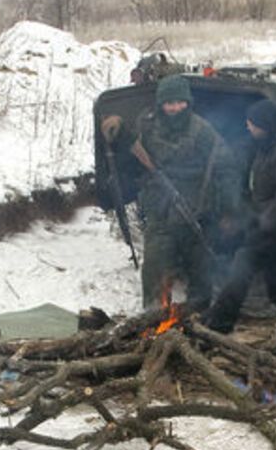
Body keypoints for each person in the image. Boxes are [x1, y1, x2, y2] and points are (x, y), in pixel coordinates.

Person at [101, 74, 237, 311]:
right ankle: (154, 322)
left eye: (180, 102)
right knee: (155, 271)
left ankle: (198, 322)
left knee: (201, 276)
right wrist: (117, 130)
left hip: (195, 214)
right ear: (160, 104)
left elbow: (226, 169)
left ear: (188, 103)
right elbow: (131, 153)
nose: (175, 108)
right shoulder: (148, 125)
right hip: (160, 215)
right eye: (169, 103)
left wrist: (228, 210)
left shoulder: (202, 131)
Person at [204, 98, 276, 357]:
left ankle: (218, 326)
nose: (249, 129)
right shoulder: (268, 143)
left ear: (266, 125)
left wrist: (265, 223)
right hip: (269, 223)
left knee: (242, 268)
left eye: (252, 125)